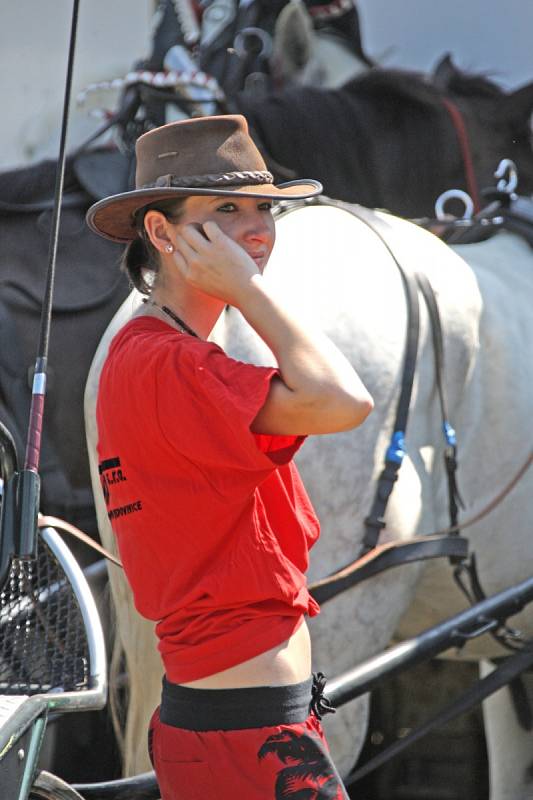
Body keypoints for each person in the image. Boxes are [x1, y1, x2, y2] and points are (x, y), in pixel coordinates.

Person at [87, 114, 373, 800]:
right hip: (248, 735)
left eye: (264, 210)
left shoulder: (165, 354)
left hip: (245, 724)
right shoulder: (165, 362)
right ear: (161, 233)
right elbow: (342, 399)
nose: (257, 230)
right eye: (224, 210)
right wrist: (250, 289)